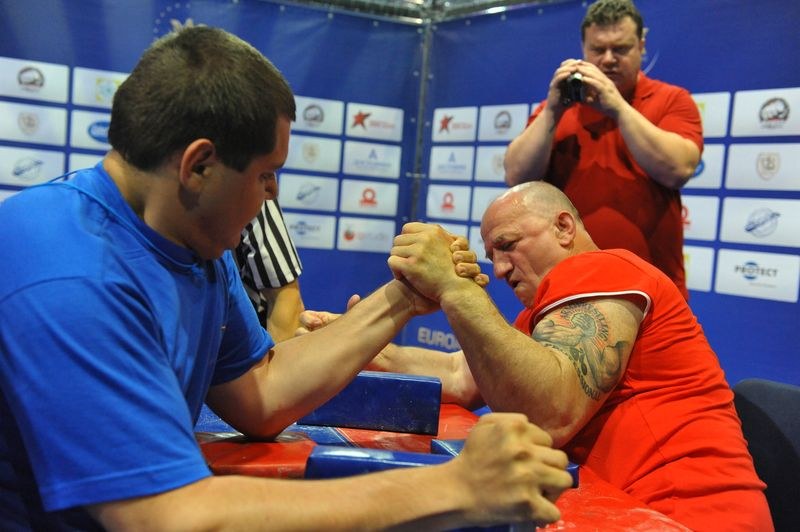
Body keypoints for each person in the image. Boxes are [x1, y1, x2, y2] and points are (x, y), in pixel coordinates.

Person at [0, 27, 574, 530]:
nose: (274, 195)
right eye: (267, 175)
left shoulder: (193, 242)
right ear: (198, 166)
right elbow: (166, 516)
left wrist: (402, 298)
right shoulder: (70, 274)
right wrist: (455, 486)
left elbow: (260, 395)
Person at [301, 181, 773, 531]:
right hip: (622, 511)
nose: (501, 268)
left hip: (685, 517)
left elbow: (550, 414)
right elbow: (461, 376)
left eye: (508, 245)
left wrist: (453, 288)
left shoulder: (603, 269)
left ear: (563, 227)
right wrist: (366, 347)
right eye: (492, 255)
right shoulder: (544, 317)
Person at [503, 0, 702, 300]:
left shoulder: (672, 100)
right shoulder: (555, 109)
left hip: (651, 289)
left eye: (621, 49)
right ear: (583, 49)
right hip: (568, 285)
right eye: (598, 49)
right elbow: (516, 176)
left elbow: (678, 169)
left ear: (641, 46)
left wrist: (617, 107)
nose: (608, 60)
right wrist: (553, 111)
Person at [235, 198, 305, 341]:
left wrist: (278, 363)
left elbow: (285, 297)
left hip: (241, 349)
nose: (272, 189)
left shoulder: (252, 189)